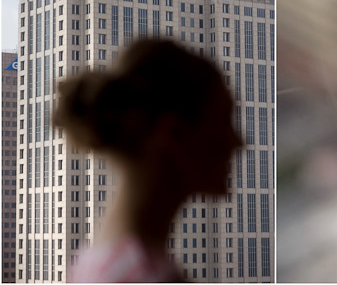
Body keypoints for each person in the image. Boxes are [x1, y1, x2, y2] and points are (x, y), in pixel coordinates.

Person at [54, 40, 242, 282]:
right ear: (173, 133)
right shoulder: (143, 275)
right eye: (223, 123)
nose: (239, 142)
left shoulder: (105, 260)